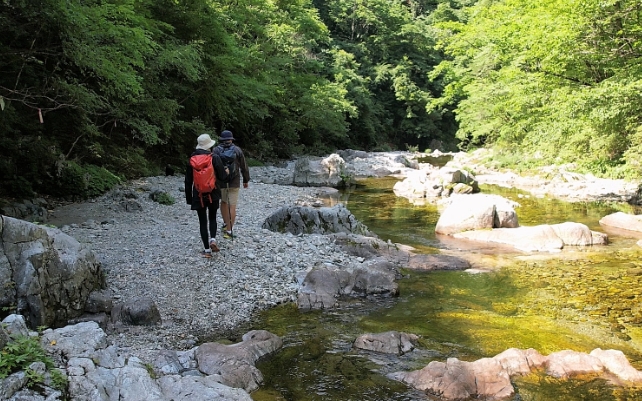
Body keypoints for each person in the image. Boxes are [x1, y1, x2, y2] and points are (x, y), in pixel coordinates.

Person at [185, 134, 229, 258]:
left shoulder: (192, 159)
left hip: (198, 194)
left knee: (202, 221)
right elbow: (223, 177)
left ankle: (207, 250)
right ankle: (213, 240)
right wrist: (226, 172)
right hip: (213, 192)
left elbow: (188, 181)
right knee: (213, 217)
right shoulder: (214, 158)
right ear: (209, 145)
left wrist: (189, 199)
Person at [213, 130, 250, 239]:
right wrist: (246, 180)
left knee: (224, 202)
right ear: (231, 139)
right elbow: (244, 166)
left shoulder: (215, 150)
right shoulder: (237, 150)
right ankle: (229, 231)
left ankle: (225, 224)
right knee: (232, 206)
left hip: (221, 181)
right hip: (234, 181)